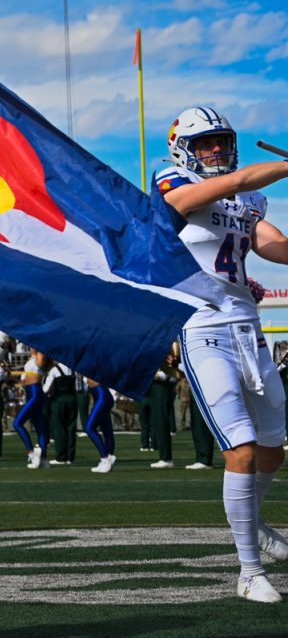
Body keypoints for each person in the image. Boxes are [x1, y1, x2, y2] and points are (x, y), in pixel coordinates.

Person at [155, 106, 288, 602]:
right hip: (202, 326)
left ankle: (253, 523)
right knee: (243, 449)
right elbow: (197, 198)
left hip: (247, 329)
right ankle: (249, 569)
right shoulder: (172, 178)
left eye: (221, 140)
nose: (214, 149)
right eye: (205, 142)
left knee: (275, 446)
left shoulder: (248, 196)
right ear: (184, 148)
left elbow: (269, 244)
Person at [14, 350, 51, 469]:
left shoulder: (41, 355)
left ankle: (31, 452)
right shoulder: (34, 356)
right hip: (30, 393)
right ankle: (44, 459)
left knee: (17, 423)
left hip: (36, 394)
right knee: (40, 428)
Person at [85, 377, 116, 473]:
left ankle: (105, 458)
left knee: (89, 428)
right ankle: (109, 457)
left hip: (102, 395)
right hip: (100, 394)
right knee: (106, 429)